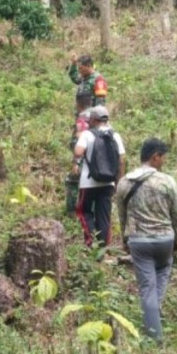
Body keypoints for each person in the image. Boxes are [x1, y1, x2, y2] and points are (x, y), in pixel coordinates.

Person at [116, 138, 177, 341]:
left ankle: (153, 330)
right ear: (155, 157)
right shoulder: (167, 182)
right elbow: (176, 215)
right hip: (164, 240)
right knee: (162, 273)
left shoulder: (125, 182)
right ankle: (155, 331)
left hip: (139, 241)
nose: (163, 161)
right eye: (162, 157)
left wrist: (125, 240)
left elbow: (122, 216)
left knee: (147, 287)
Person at [72, 106, 125, 248]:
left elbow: (78, 151)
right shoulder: (115, 135)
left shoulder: (87, 134)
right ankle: (103, 247)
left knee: (83, 210)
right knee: (104, 215)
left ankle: (90, 243)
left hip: (88, 182)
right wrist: (118, 180)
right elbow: (121, 161)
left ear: (93, 119)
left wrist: (76, 160)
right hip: (108, 183)